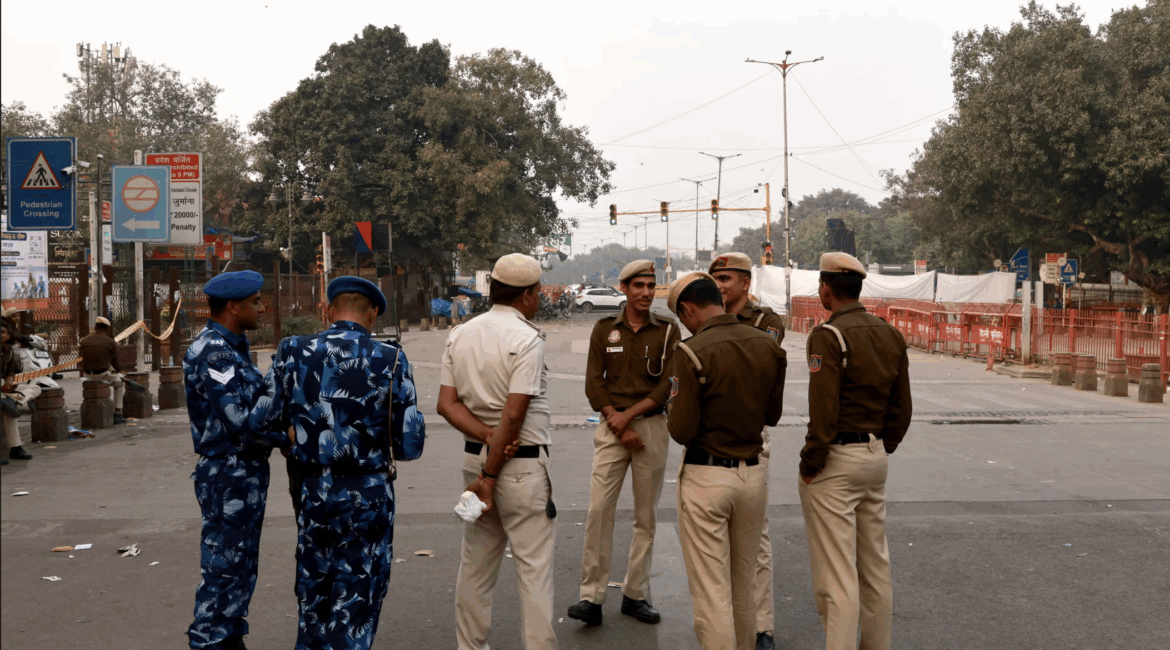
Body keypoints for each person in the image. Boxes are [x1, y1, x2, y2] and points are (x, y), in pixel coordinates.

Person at [251, 276, 424, 650]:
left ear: (329, 310)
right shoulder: (390, 358)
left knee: (315, 593)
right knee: (357, 597)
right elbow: (410, 445)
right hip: (368, 494)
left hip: (312, 492)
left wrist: (289, 437)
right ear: (373, 313)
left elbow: (259, 420)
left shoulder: (291, 350)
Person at [437, 253, 557, 650]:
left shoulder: (461, 333)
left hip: (476, 459)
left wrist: (485, 442)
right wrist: (491, 473)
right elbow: (514, 413)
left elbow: (447, 405)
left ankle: (470, 646)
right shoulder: (526, 338)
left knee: (475, 566)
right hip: (517, 471)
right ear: (526, 296)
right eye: (537, 292)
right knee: (534, 570)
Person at [798, 252, 913, 650]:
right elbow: (902, 408)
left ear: (827, 289)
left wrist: (811, 463)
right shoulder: (889, 332)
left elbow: (823, 412)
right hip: (874, 456)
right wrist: (883, 445)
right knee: (875, 566)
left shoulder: (828, 336)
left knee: (837, 574)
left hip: (837, 459)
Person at [666, 272, 787, 650]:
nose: (685, 325)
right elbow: (772, 414)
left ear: (688, 309)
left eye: (683, 318)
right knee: (744, 584)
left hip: (707, 477)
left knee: (711, 591)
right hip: (752, 476)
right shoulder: (768, 346)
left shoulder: (690, 351)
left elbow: (681, 430)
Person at [569, 260, 680, 627]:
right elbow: (592, 383)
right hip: (612, 428)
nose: (646, 293)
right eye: (639, 286)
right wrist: (618, 423)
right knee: (599, 511)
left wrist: (627, 417)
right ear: (624, 288)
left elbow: (668, 385)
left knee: (645, 517)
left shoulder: (667, 330)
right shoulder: (604, 330)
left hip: (649, 428)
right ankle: (592, 597)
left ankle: (635, 595)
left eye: (651, 286)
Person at [184, 270, 290, 650]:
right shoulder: (214, 351)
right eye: (256, 302)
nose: (262, 308)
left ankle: (228, 634)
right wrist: (286, 438)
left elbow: (257, 404)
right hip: (227, 470)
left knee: (242, 562)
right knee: (223, 563)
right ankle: (210, 640)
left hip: (244, 472)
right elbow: (239, 421)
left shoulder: (233, 347)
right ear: (234, 306)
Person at [709, 252, 785, 649]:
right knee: (714, 544)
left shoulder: (766, 323)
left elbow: (761, 367)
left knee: (756, 538)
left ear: (745, 284)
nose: (720, 285)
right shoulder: (708, 317)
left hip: (753, 436)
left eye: (726, 278)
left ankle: (761, 627)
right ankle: (726, 626)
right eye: (715, 278)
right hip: (711, 436)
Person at [1, 318, 38, 463]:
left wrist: (9, 383)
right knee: (9, 413)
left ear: (8, 336)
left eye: (2, 332)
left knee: (35, 387)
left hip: (3, 388)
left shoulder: (9, 351)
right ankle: (15, 448)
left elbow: (10, 372)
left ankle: (9, 401)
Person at [79, 316, 128, 425]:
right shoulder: (110, 342)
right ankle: (117, 412)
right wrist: (119, 371)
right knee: (118, 383)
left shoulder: (84, 340)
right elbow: (115, 362)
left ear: (95, 326)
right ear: (107, 329)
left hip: (87, 374)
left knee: (111, 375)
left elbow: (83, 358)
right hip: (101, 374)